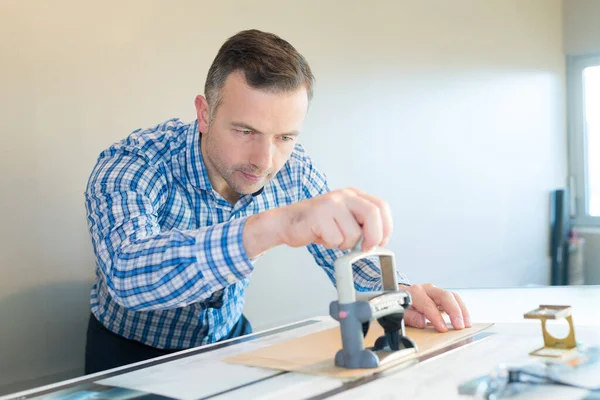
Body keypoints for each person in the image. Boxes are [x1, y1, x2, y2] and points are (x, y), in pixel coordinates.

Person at [83, 29, 471, 374]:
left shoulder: (294, 170)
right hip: (128, 354)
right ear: (204, 114)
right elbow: (127, 274)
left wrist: (397, 294)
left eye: (285, 137)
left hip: (228, 343)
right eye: (246, 130)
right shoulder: (134, 163)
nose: (265, 162)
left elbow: (347, 255)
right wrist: (271, 227)